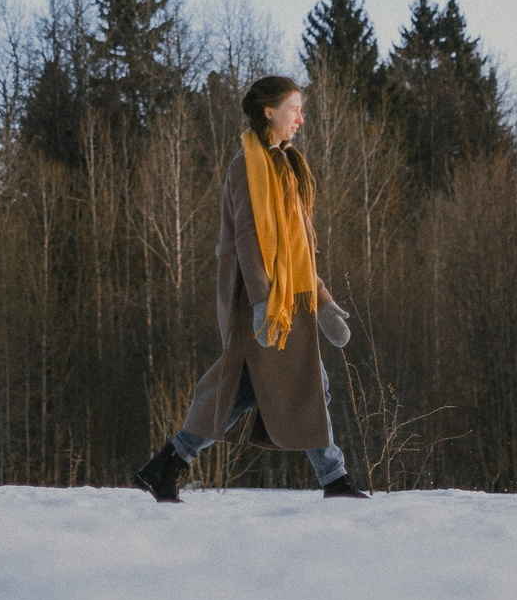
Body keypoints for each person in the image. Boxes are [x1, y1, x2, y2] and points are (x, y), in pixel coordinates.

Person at [133, 74, 365, 501]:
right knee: (301, 382)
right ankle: (335, 480)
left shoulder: (287, 165)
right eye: (294, 109)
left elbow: (298, 247)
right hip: (260, 300)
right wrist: (260, 301)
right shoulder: (246, 167)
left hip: (289, 298)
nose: (301, 118)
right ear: (269, 112)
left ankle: (167, 464)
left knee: (246, 387)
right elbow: (247, 238)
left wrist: (325, 300)